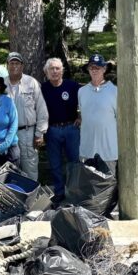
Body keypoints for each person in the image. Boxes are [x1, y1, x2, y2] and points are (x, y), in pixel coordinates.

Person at [41, 57, 80, 203]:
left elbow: (85, 102)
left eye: (57, 68)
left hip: (72, 128)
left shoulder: (73, 86)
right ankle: (59, 192)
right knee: (55, 164)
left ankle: (74, 192)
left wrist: (81, 116)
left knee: (74, 163)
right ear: (46, 72)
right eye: (51, 69)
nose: (55, 71)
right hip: (52, 130)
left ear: (62, 70)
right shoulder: (43, 89)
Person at [6, 52, 48, 181]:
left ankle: (32, 199)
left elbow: (41, 109)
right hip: (7, 135)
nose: (14, 66)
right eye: (11, 63)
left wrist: (40, 133)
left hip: (28, 133)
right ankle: (14, 199)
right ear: (7, 65)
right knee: (11, 170)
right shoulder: (0, 84)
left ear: (22, 66)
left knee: (30, 169)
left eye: (17, 63)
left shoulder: (31, 82)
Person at [78, 53, 118, 173]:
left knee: (107, 187)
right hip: (87, 149)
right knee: (88, 187)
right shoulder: (81, 91)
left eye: (98, 68)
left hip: (108, 150)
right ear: (88, 69)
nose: (94, 71)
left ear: (104, 69)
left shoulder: (115, 91)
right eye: (92, 68)